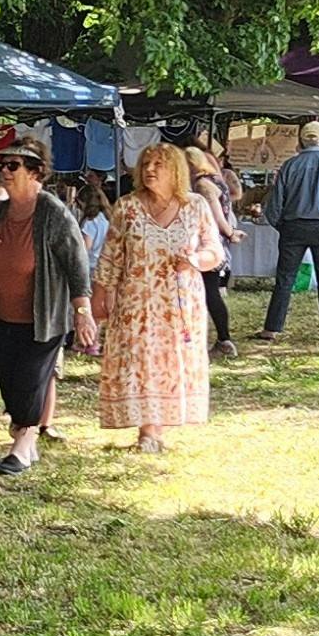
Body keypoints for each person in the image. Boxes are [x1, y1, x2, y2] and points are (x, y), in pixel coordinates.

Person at [94, 144, 224, 451]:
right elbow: (110, 256)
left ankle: (160, 427)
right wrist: (100, 298)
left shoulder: (196, 206)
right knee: (141, 363)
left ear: (176, 171)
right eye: (146, 164)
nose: (150, 169)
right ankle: (147, 431)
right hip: (136, 303)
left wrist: (195, 260)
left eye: (158, 164)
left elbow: (214, 251)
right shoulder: (127, 206)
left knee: (169, 363)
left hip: (179, 304)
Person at [0, 149, 91, 473]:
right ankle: (25, 435)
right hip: (3, 314)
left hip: (45, 315)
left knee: (31, 378)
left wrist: (83, 312)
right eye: (2, 165)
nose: (4, 171)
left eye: (13, 166)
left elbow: (77, 264)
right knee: (8, 380)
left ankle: (23, 445)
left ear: (36, 172)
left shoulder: (53, 212)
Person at [261, 121, 319, 342]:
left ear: (301, 141)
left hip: (293, 227)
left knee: (285, 279)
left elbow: (275, 204)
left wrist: (282, 225)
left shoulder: (289, 166)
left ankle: (272, 329)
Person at [187, 144, 243, 359]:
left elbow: (216, 216)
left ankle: (223, 339)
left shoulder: (203, 185)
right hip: (214, 242)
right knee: (207, 292)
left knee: (209, 292)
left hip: (206, 244)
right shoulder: (217, 179)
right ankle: (219, 338)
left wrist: (230, 233)